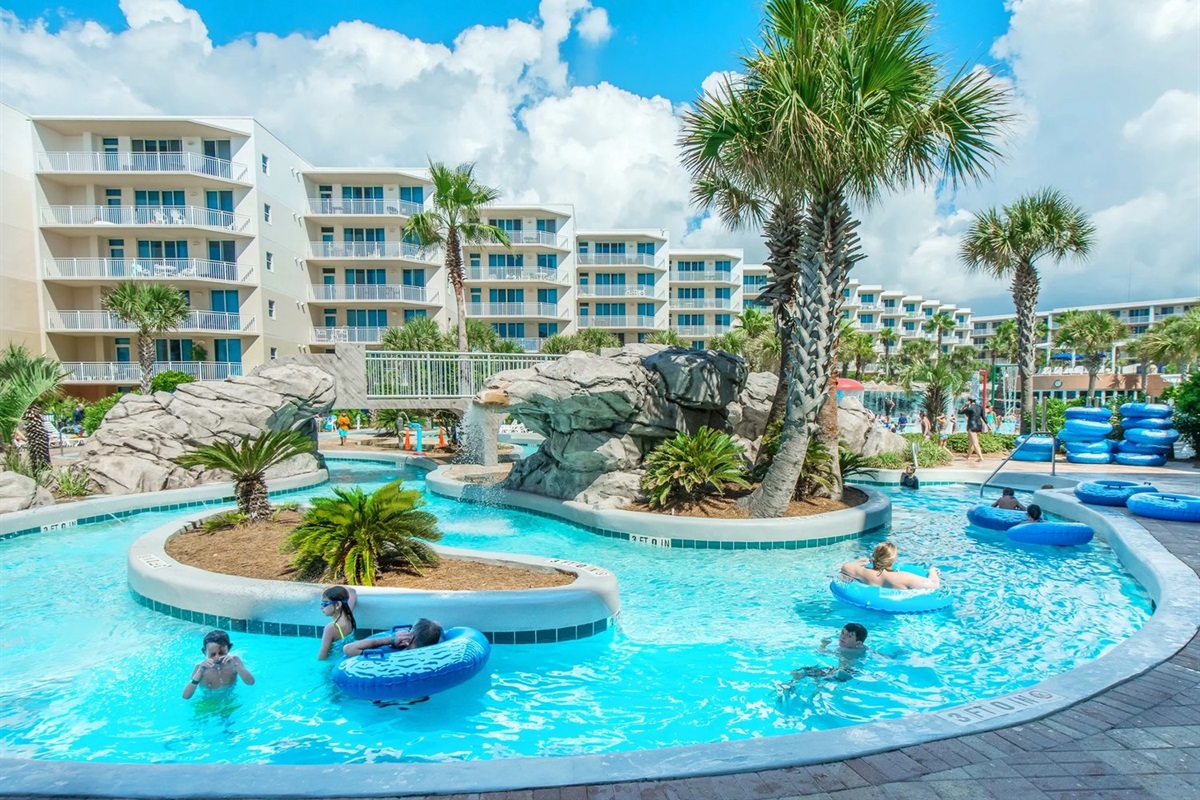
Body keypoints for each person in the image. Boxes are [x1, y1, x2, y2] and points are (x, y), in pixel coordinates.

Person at [787, 623, 869, 684]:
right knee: (812, 671)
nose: (842, 637)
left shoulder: (843, 650)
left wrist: (823, 644)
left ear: (858, 643)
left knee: (802, 672)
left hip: (842, 673)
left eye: (849, 636)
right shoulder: (863, 648)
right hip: (852, 672)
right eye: (842, 633)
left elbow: (821, 652)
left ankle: (791, 685)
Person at [183, 630, 254, 699]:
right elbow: (186, 696)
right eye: (212, 654)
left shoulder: (234, 661)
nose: (217, 657)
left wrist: (236, 666)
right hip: (208, 701)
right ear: (204, 652)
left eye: (221, 653)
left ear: (228, 649)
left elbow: (250, 682)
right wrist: (200, 672)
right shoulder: (200, 668)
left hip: (228, 699)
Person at [839, 542, 941, 590]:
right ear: (892, 559)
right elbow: (935, 584)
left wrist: (860, 562)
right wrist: (932, 571)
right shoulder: (904, 577)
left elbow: (845, 567)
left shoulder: (864, 572)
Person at [344, 618, 444, 657]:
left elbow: (348, 649)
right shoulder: (430, 656)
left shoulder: (391, 655)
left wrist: (389, 639)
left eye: (409, 631)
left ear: (411, 636)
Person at [317, 585, 358, 660]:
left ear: (338, 605)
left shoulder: (331, 628)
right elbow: (352, 591)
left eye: (325, 603)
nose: (321, 607)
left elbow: (322, 656)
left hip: (334, 664)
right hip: (348, 659)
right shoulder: (349, 616)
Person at [959, 398, 985, 462]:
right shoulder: (980, 407)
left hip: (971, 426)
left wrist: (964, 405)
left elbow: (959, 411)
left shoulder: (969, 408)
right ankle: (968, 456)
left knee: (975, 443)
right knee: (971, 442)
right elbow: (984, 417)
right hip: (979, 426)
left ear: (969, 401)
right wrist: (989, 427)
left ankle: (981, 457)